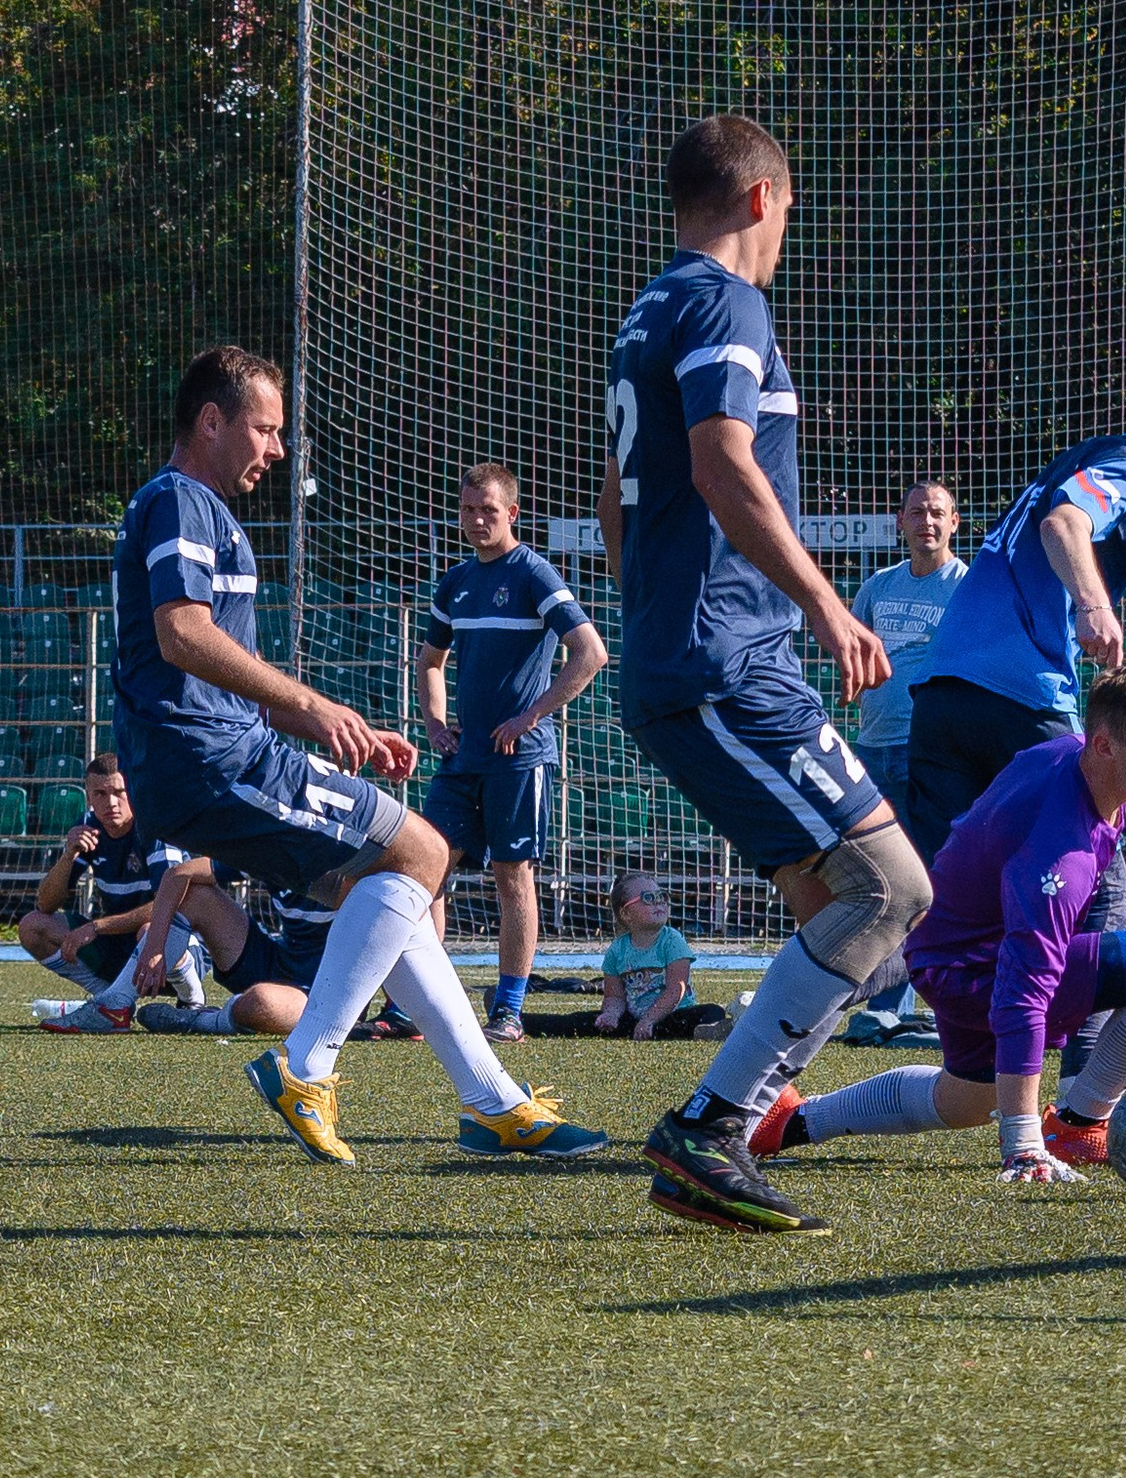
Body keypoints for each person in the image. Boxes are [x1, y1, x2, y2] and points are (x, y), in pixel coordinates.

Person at [112, 344, 604, 1163]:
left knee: (398, 878)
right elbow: (182, 634)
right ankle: (308, 1066)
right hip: (210, 759)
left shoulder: (193, 508)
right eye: (265, 430)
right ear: (210, 421)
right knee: (423, 850)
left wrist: (339, 729)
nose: (276, 449)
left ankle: (494, 1103)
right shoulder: (180, 501)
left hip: (216, 752)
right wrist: (312, 704)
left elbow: (213, 662)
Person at [598, 112, 931, 1235]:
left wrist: (648, 608)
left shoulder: (650, 304)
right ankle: (710, 1126)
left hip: (693, 650)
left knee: (829, 904)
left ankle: (741, 1122)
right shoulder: (727, 299)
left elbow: (620, 490)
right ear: (758, 199)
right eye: (789, 208)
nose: (788, 229)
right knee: (893, 889)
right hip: (726, 663)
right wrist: (826, 605)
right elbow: (718, 459)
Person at [903, 348, 1126, 1158]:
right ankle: (1082, 1110)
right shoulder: (1124, 467)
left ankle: (776, 1091)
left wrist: (1123, 534)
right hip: (1020, 699)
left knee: (915, 897)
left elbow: (1052, 517)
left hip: (944, 693)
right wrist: (1093, 604)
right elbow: (1064, 523)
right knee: (1105, 887)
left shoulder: (1108, 471)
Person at [757, 663, 1126, 1179]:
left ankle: (790, 1122)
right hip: (976, 969)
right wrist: (1023, 1144)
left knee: (967, 1100)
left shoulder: (1078, 760)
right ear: (1106, 745)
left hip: (948, 955)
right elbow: (1024, 990)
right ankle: (1077, 1123)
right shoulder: (1058, 854)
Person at [416, 461, 607, 1042]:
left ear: (512, 514)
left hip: (519, 760)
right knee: (423, 870)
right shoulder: (455, 582)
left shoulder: (534, 573)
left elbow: (590, 653)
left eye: (488, 511)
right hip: (462, 756)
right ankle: (419, 1003)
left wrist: (532, 715)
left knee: (511, 875)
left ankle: (508, 1008)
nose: (477, 521)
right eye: (468, 510)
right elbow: (429, 661)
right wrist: (433, 721)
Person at [842, 478, 965, 1043]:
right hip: (873, 747)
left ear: (954, 522)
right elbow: (854, 648)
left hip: (932, 754)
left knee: (930, 877)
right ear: (901, 521)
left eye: (938, 512)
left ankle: (933, 993)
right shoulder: (877, 586)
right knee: (881, 878)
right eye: (917, 512)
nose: (927, 521)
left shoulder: (967, 586)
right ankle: (882, 1000)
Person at [16, 752, 204, 1029]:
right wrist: (68, 856)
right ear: (89, 798)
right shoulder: (89, 827)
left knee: (151, 930)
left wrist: (97, 927)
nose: (111, 802)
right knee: (33, 926)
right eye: (100, 794)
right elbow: (44, 905)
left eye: (119, 792)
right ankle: (108, 1001)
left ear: (134, 791)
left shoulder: (154, 828)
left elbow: (173, 903)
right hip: (121, 944)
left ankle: (192, 1000)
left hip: (174, 947)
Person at [524, 870, 729, 1040]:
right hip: (633, 1019)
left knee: (711, 1011)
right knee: (581, 1021)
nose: (658, 902)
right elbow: (614, 996)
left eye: (661, 896)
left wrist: (649, 1020)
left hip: (671, 1015)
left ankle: (705, 1031)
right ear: (626, 914)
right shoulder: (617, 950)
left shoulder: (672, 940)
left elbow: (677, 989)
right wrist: (611, 1014)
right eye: (648, 898)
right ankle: (520, 1020)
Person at [133, 865, 333, 1038]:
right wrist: (154, 948)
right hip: (276, 961)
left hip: (324, 994)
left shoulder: (353, 855)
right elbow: (178, 874)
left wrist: (101, 927)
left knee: (262, 1004)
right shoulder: (278, 844)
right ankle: (115, 1005)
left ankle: (201, 1020)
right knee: (198, 893)